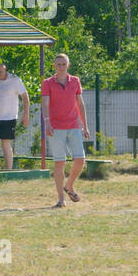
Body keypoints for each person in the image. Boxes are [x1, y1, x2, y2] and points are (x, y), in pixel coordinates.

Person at [40, 53, 90, 208]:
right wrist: (47, 123)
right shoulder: (47, 83)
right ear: (54, 66)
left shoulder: (75, 81)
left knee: (80, 160)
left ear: (68, 65)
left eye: (63, 64)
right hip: (56, 128)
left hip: (74, 125)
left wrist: (85, 125)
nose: (61, 66)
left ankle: (69, 186)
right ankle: (61, 199)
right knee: (59, 163)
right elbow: (45, 104)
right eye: (58, 64)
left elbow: (80, 104)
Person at [0, 60, 30, 170]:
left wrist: (26, 114)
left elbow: (25, 97)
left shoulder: (15, 80)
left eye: (0, 71)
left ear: (5, 68)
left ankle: (9, 170)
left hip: (9, 118)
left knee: (5, 144)